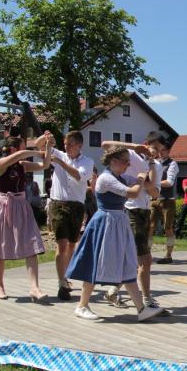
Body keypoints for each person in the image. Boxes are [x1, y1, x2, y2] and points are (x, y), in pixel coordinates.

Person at [65, 146, 163, 322]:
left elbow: (153, 188)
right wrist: (140, 180)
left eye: (128, 161)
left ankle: (141, 309)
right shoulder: (106, 178)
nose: (128, 164)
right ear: (113, 161)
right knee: (95, 262)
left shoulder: (122, 177)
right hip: (105, 223)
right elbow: (133, 193)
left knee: (127, 263)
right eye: (125, 161)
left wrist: (150, 163)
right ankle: (82, 305)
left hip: (119, 223)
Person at [0, 135, 53, 301]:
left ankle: (34, 288)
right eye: (22, 147)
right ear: (14, 149)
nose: (24, 151)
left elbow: (45, 164)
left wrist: (48, 148)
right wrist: (38, 148)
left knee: (32, 244)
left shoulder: (22, 165)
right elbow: (19, 156)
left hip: (21, 206)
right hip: (4, 206)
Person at [99, 135, 165, 311]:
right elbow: (105, 144)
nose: (156, 153)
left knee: (133, 258)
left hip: (144, 211)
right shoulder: (132, 155)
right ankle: (146, 299)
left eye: (159, 151)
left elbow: (155, 193)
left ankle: (114, 291)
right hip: (129, 210)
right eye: (153, 148)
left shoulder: (156, 165)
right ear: (146, 145)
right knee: (144, 258)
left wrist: (147, 176)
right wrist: (134, 146)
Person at [35, 131, 94, 301]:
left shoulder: (87, 162)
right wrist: (46, 138)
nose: (66, 147)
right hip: (58, 203)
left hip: (76, 206)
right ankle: (62, 283)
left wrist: (60, 162)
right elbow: (38, 145)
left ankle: (66, 276)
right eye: (65, 144)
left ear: (79, 145)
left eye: (69, 144)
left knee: (71, 245)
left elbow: (79, 176)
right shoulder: (59, 153)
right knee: (62, 244)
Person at [150, 139, 179, 264]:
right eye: (159, 150)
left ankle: (168, 255)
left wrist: (152, 184)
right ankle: (147, 254)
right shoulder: (154, 163)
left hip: (168, 201)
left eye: (163, 150)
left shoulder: (173, 164)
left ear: (168, 151)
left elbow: (169, 182)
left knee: (168, 229)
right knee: (149, 227)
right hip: (154, 199)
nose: (161, 153)